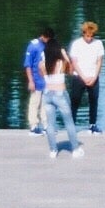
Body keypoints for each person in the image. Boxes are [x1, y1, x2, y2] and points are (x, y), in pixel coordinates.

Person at [37, 27, 81, 158]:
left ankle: (53, 150)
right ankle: (75, 149)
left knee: (50, 124)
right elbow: (70, 68)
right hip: (59, 93)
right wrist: (65, 57)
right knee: (69, 121)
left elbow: (40, 72)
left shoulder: (43, 60)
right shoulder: (61, 60)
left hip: (47, 93)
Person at [68, 21, 105, 132]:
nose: (89, 38)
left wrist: (95, 76)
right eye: (87, 36)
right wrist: (83, 77)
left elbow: (99, 61)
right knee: (75, 100)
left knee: (94, 100)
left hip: (93, 76)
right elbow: (74, 62)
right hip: (79, 76)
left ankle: (92, 124)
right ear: (83, 33)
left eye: (91, 36)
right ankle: (72, 125)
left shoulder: (98, 43)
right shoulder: (76, 44)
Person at [23, 25, 47, 134]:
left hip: (46, 81)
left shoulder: (49, 45)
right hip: (36, 80)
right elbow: (28, 65)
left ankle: (46, 125)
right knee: (34, 103)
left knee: (45, 104)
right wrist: (31, 81)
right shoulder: (33, 45)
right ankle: (33, 126)